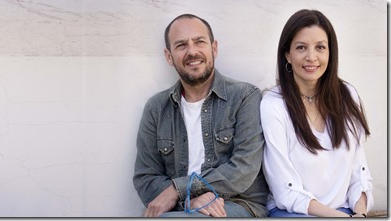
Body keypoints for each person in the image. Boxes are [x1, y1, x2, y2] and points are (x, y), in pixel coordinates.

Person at [132, 14, 269, 217]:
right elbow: (145, 177)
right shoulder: (156, 108)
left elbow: (244, 168)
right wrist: (189, 199)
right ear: (169, 56)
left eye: (199, 42)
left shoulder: (244, 96)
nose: (192, 51)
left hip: (238, 204)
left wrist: (180, 188)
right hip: (183, 208)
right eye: (181, 45)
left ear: (214, 48)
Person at [260, 9, 374, 217]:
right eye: (301, 47)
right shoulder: (274, 104)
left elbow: (360, 174)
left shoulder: (348, 95)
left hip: (345, 211)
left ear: (330, 53)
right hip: (292, 212)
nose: (311, 57)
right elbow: (286, 189)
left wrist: (360, 213)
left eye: (320, 47)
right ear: (287, 53)